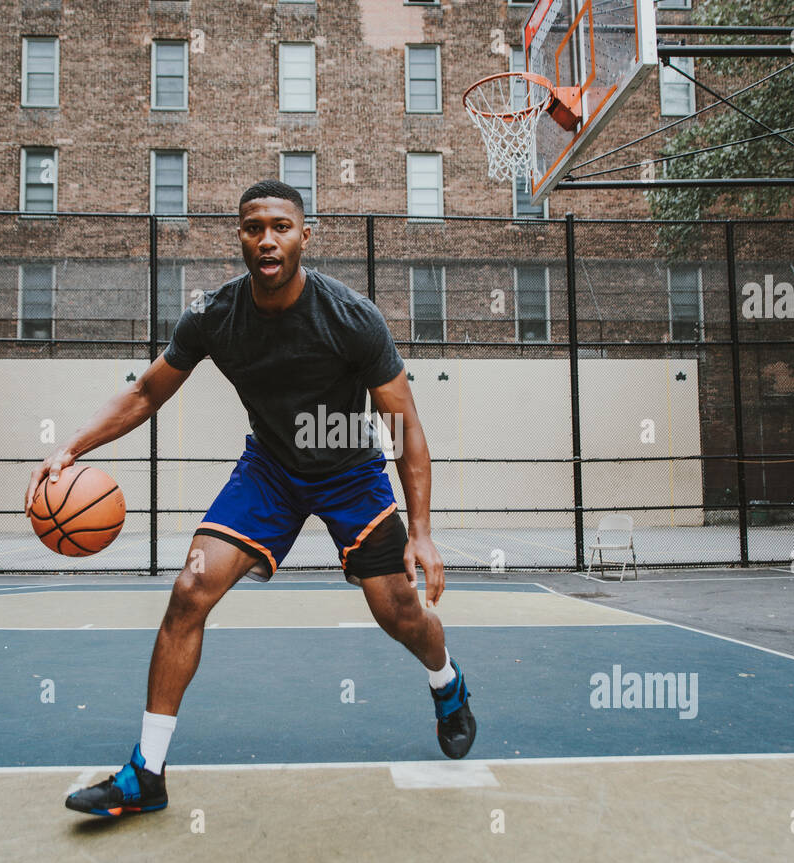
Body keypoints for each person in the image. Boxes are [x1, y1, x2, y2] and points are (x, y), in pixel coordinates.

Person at [26, 181, 476, 817]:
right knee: (190, 588)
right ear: (239, 236)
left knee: (398, 613)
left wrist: (423, 532)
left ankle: (447, 682)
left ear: (304, 236)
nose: (267, 238)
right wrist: (72, 447)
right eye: (253, 227)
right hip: (270, 469)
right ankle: (146, 771)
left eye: (282, 227)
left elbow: (405, 426)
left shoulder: (351, 318)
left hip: (349, 469)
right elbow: (145, 393)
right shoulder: (214, 315)